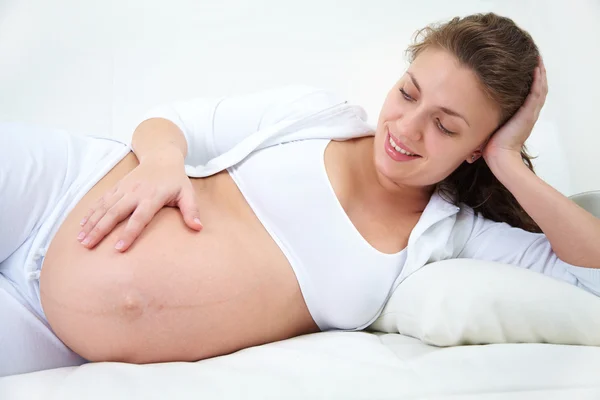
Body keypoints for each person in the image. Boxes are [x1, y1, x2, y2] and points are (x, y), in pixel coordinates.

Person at [1, 12, 599, 377]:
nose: (407, 129)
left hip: (47, 329)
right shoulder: (318, 116)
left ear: (477, 147)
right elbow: (176, 121)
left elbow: (590, 277)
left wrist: (510, 164)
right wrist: (162, 162)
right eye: (409, 92)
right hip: (63, 183)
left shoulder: (450, 235)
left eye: (446, 126)